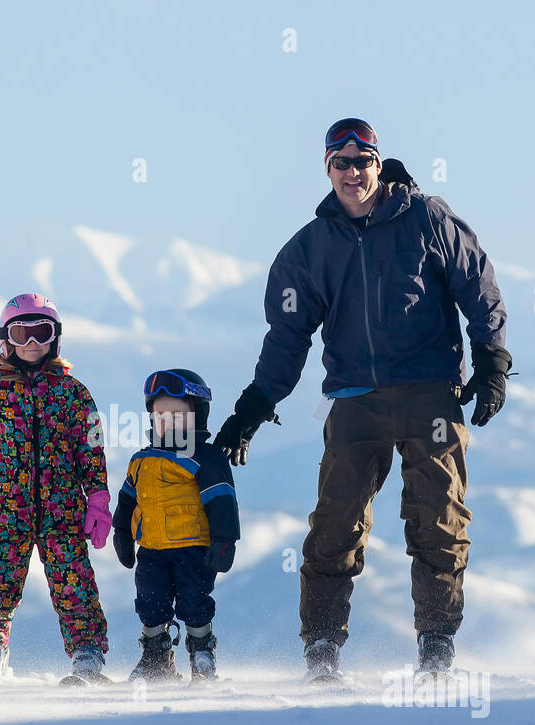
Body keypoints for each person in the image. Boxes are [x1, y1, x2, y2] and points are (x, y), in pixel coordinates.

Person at [213, 118, 512, 682]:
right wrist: (254, 405)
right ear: (328, 170)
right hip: (355, 399)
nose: (354, 173)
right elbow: (286, 338)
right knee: (336, 522)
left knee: (439, 518)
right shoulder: (309, 249)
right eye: (342, 163)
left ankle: (437, 645)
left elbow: (479, 287)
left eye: (363, 161)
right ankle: (322, 648)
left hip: (432, 394)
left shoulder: (427, 218)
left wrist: (493, 359)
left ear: (380, 163)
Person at [0, 294, 112, 684]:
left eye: (40, 333)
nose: (31, 344)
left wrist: (97, 498)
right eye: (20, 334)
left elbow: (90, 448)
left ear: (55, 338)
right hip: (5, 512)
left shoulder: (72, 392)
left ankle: (87, 652)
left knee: (74, 581)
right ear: (6, 339)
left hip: (63, 512)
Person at [112, 369, 239, 681]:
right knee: (149, 601)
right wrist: (122, 533)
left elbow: (222, 499)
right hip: (152, 550)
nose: (167, 421)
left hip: (193, 549)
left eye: (177, 414)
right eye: (160, 414)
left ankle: (202, 653)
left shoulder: (204, 458)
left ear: (198, 415)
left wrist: (224, 539)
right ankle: (156, 658)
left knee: (194, 601)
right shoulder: (141, 459)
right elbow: (129, 499)